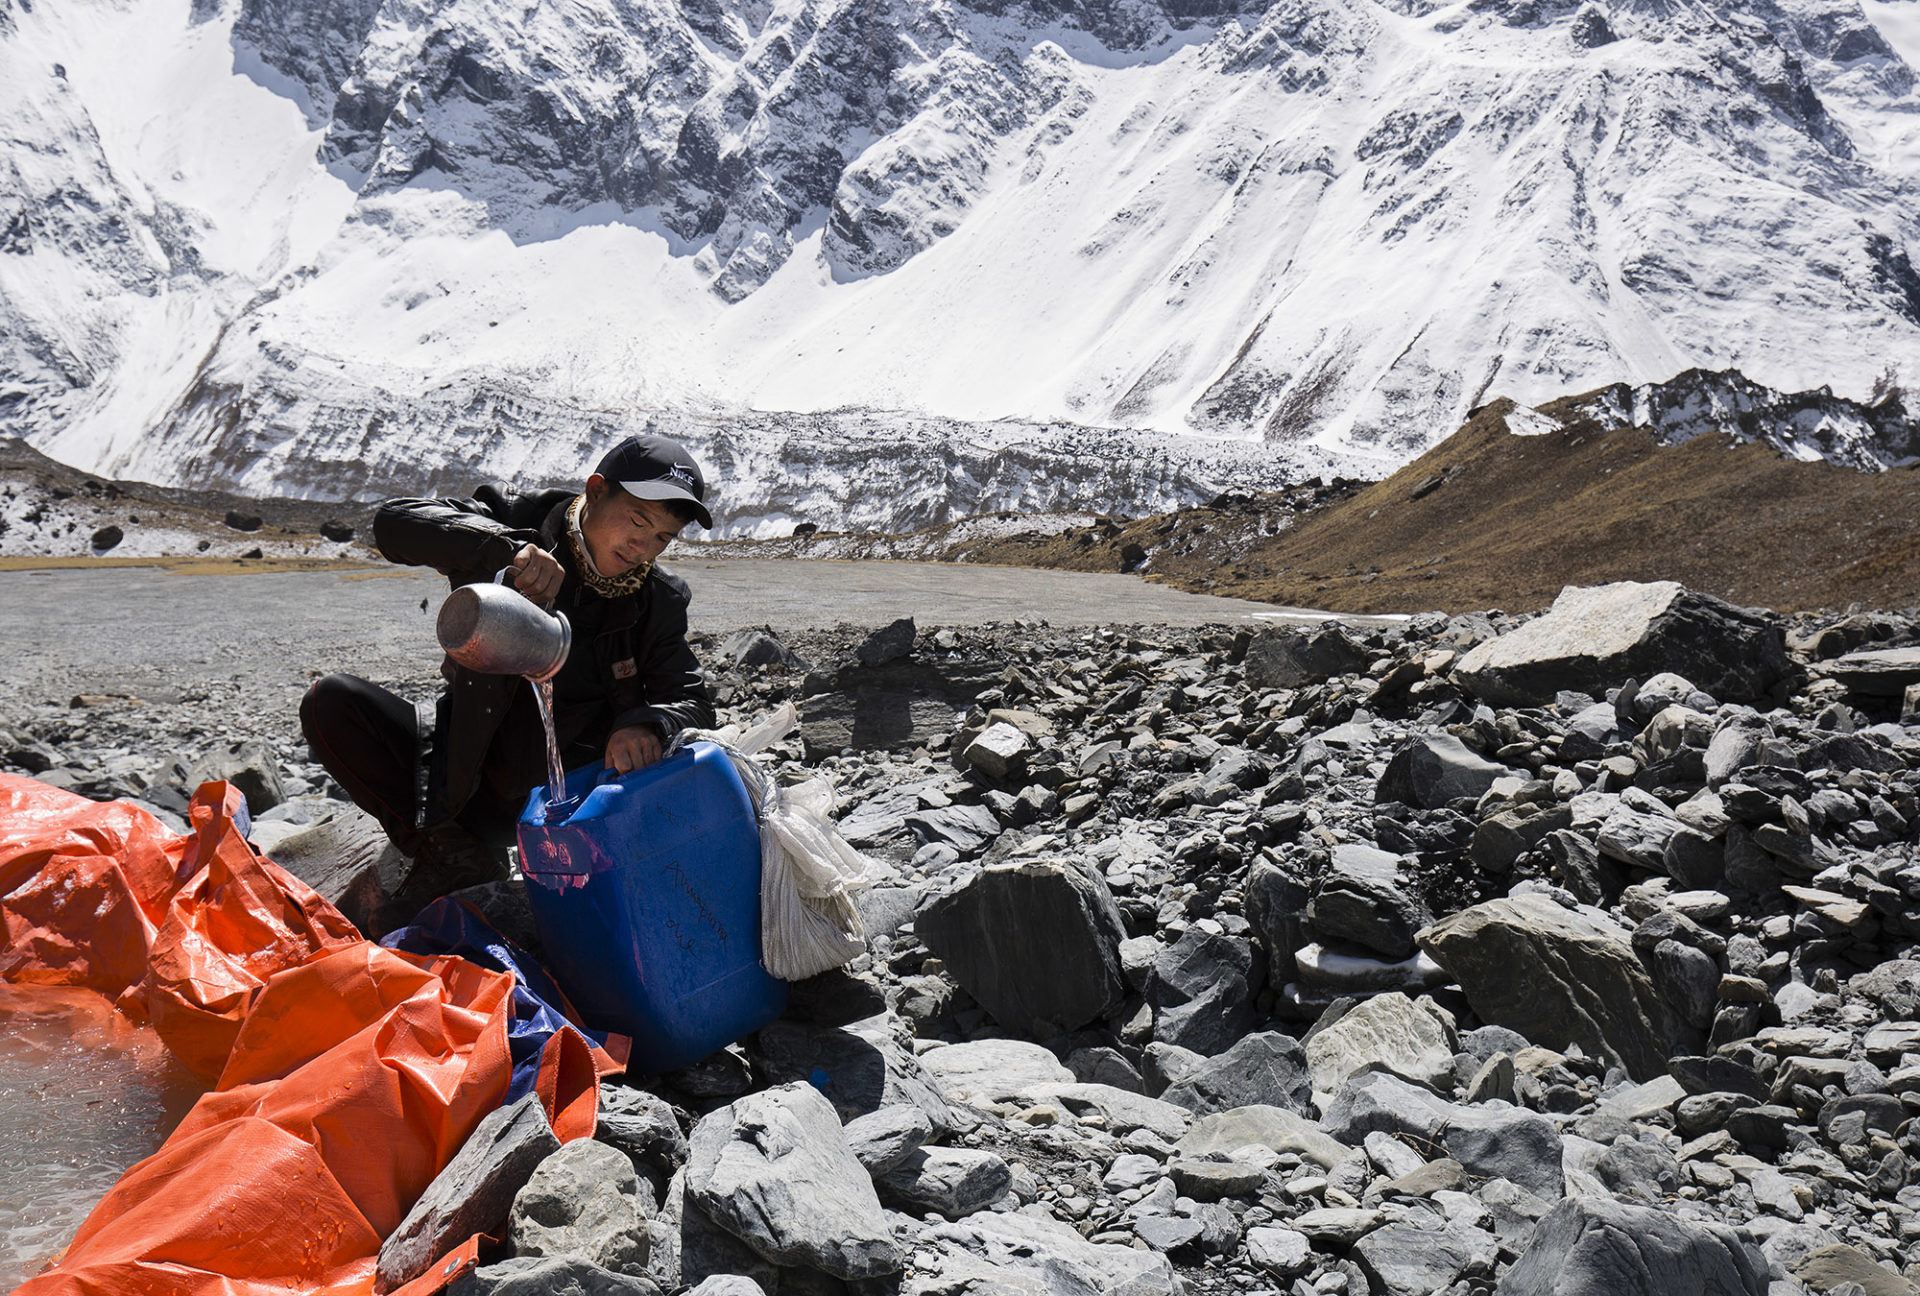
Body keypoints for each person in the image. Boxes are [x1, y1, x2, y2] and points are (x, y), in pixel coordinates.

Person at [300, 434, 718, 934]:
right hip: (467, 779)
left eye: (661, 539)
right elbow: (393, 524)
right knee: (331, 703)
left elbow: (689, 696)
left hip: (569, 804)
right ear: (597, 489)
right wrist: (507, 549)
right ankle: (449, 852)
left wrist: (645, 723)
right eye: (637, 521)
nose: (641, 548)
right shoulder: (517, 521)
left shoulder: (658, 599)